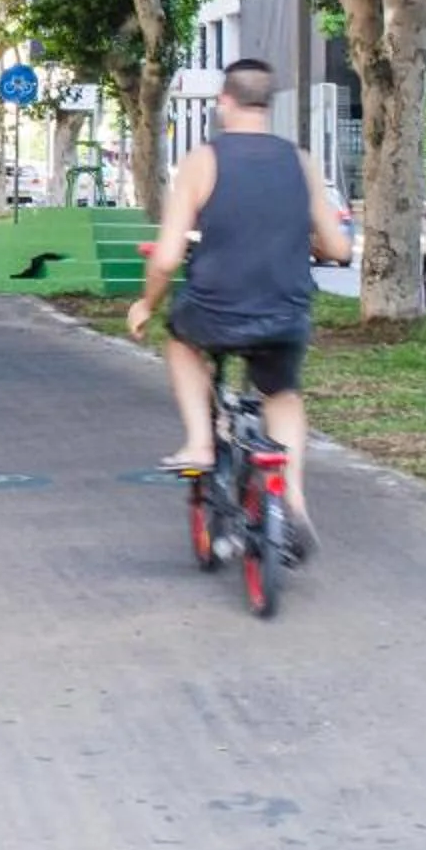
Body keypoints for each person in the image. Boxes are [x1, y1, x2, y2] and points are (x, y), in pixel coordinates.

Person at [126, 58, 353, 558]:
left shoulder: (202, 161)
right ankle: (293, 502)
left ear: (223, 103)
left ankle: (200, 442)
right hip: (286, 312)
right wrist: (305, 240)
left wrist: (145, 303)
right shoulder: (301, 162)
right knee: (282, 395)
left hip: (215, 311)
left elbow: (166, 257)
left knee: (180, 341)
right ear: (267, 104)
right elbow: (339, 248)